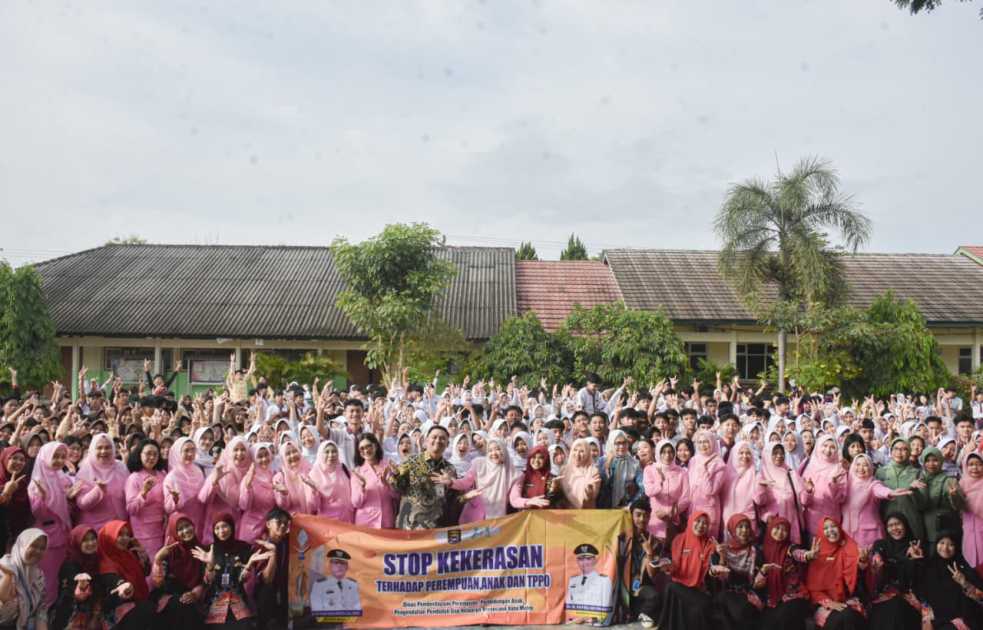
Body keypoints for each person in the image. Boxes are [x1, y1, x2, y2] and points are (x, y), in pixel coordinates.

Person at [195, 514, 268, 629]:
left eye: (225, 526)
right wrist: (209, 564)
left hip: (237, 598)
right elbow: (208, 581)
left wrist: (249, 564)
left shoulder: (243, 548)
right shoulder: (209, 550)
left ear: (232, 527)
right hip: (215, 600)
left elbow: (243, 579)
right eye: (217, 528)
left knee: (244, 625)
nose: (221, 531)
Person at [28, 441, 77, 606]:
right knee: (45, 578)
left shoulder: (59, 476)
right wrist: (41, 498)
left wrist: (72, 474)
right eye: (55, 456)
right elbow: (39, 514)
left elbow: (71, 487)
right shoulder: (37, 480)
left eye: (62, 457)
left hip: (62, 534)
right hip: (46, 537)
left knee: (56, 577)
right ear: (46, 456)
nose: (59, 460)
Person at [656, 511, 716, 630]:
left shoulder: (710, 544)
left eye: (705, 523)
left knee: (701, 606)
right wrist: (668, 568)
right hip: (680, 586)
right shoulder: (679, 539)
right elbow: (675, 566)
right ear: (691, 521)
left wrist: (721, 557)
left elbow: (711, 570)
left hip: (699, 589)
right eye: (697, 521)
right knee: (671, 587)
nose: (700, 525)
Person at [804, 517, 866, 630]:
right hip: (826, 603)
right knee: (841, 617)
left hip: (850, 600)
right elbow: (813, 589)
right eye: (826, 528)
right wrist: (830, 603)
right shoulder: (817, 555)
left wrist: (863, 563)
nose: (830, 530)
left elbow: (859, 577)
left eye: (833, 526)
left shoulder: (850, 548)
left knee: (848, 615)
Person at [393, 426, 458, 530]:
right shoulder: (411, 461)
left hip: (435, 528)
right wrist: (395, 475)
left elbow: (452, 499)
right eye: (434, 437)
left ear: (447, 444)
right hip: (409, 525)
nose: (438, 441)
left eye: (442, 438)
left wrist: (451, 484)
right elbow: (398, 488)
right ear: (426, 440)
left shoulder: (450, 469)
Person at [915, 532, 983, 630]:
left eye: (951, 544)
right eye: (942, 543)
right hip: (934, 618)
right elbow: (919, 592)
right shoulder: (928, 566)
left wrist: (965, 583)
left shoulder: (964, 568)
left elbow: (980, 598)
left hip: (961, 620)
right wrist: (916, 561)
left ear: (957, 547)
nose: (945, 548)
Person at [95, 520, 156, 630]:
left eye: (127, 534)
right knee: (147, 610)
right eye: (120, 534)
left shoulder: (127, 554)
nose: (125, 538)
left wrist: (143, 555)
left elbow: (145, 573)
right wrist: (123, 586)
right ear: (109, 537)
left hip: (135, 603)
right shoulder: (106, 562)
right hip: (116, 612)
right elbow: (113, 580)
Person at [865, 514, 922, 630]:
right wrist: (877, 565)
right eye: (890, 525)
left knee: (898, 608)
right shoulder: (881, 545)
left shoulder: (915, 545)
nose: (894, 528)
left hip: (908, 595)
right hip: (885, 594)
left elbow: (919, 576)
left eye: (898, 524)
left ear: (905, 525)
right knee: (887, 610)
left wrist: (915, 560)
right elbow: (877, 563)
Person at [842, 453, 911, 548]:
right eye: (858, 464)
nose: (861, 468)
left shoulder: (873, 484)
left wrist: (890, 492)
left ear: (871, 468)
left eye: (865, 465)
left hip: (870, 534)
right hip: (849, 532)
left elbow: (880, 490)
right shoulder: (848, 484)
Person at [149, 513, 206, 628]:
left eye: (187, 526)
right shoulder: (169, 552)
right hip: (170, 596)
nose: (185, 531)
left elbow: (206, 581)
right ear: (174, 532)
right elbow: (158, 583)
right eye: (180, 529)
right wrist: (157, 560)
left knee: (189, 607)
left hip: (195, 595)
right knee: (181, 606)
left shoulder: (201, 550)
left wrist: (195, 593)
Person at [710, 514, 766, 630]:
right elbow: (719, 577)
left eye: (747, 527)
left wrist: (761, 579)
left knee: (743, 611)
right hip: (728, 592)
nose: (744, 530)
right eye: (740, 527)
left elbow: (759, 579)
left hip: (749, 593)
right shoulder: (722, 549)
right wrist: (721, 557)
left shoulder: (755, 551)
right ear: (732, 529)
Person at [758, 516, 811, 630]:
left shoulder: (790, 548)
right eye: (777, 528)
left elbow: (799, 554)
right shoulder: (762, 550)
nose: (780, 532)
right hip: (772, 599)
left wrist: (808, 555)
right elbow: (757, 579)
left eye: (784, 530)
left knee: (786, 616)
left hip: (795, 595)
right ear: (770, 528)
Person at [199, 437, 251, 545]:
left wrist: (247, 485)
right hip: (216, 527)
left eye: (243, 450)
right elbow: (203, 498)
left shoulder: (249, 471)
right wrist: (214, 481)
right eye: (235, 450)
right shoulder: (221, 469)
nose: (239, 453)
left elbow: (244, 504)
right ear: (229, 452)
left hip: (236, 526)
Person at [450, 437, 514, 522]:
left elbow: (514, 499)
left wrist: (527, 502)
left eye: (498, 449)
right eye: (490, 450)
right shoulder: (479, 463)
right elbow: (465, 483)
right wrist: (450, 482)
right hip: (474, 513)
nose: (494, 453)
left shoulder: (513, 473)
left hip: (496, 517)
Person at [75, 434, 130, 533]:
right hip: (94, 532)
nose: (103, 451)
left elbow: (128, 496)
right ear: (92, 450)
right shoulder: (85, 470)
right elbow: (82, 504)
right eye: (99, 448)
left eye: (108, 447)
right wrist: (98, 490)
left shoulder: (121, 467)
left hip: (119, 528)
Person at [875, 438, 926, 542]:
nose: (899, 452)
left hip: (910, 522)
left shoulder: (917, 473)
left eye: (904, 449)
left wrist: (914, 491)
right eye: (896, 449)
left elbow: (923, 505)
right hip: (887, 522)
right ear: (891, 451)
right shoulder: (881, 472)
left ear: (909, 452)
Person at [758, 441, 809, 545]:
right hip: (774, 526)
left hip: (793, 523)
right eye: (775, 453)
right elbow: (759, 502)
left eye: (781, 453)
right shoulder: (762, 475)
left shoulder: (791, 473)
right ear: (767, 455)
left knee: (793, 555)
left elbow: (803, 499)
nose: (779, 456)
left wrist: (808, 491)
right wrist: (761, 487)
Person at [124, 439, 167, 559]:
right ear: (140, 455)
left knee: (160, 566)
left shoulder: (162, 475)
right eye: (148, 454)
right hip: (143, 533)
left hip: (161, 529)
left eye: (155, 454)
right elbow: (131, 509)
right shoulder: (134, 478)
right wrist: (143, 492)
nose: (152, 457)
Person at [801, 435, 848, 540]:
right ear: (818, 446)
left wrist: (834, 484)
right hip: (812, 524)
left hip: (832, 525)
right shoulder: (810, 468)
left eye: (832, 447)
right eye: (825, 445)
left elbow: (842, 498)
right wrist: (808, 491)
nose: (828, 450)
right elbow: (804, 501)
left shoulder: (840, 470)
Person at [0, 528, 48, 630]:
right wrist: (8, 576)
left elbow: (41, 609)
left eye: (42, 548)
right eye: (34, 546)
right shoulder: (5, 566)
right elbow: (2, 600)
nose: (38, 551)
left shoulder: (38, 575)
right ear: (22, 545)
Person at [642, 440, 688, 543]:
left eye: (670, 452)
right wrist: (660, 480)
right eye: (663, 452)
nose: (667, 455)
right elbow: (649, 491)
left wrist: (670, 513)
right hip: (655, 519)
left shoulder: (681, 472)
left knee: (672, 552)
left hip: (674, 520)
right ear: (658, 453)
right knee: (655, 552)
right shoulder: (650, 469)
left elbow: (685, 498)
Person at [251, 509, 290, 630]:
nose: (283, 526)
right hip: (265, 596)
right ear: (268, 524)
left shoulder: (288, 542)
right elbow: (267, 579)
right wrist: (273, 553)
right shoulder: (260, 546)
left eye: (286, 523)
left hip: (285, 595)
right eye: (279, 522)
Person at [916, 445, 960, 548]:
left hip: (943, 530)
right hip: (923, 529)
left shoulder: (949, 480)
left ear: (941, 461)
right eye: (927, 460)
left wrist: (954, 496)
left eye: (935, 460)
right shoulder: (919, 479)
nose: (931, 464)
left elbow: (959, 506)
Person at [164, 437, 207, 540]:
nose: (190, 454)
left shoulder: (198, 471)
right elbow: (168, 508)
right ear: (178, 452)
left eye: (193, 450)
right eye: (186, 450)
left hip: (198, 520)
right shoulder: (172, 477)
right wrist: (175, 499)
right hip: (181, 525)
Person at [720, 441, 765, 540]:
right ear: (735, 454)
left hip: (748, 521)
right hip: (729, 519)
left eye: (748, 453)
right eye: (741, 453)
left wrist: (762, 487)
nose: (745, 456)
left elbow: (759, 500)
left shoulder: (756, 474)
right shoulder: (727, 474)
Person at [350, 433, 396, 528]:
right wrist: (362, 488)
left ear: (375, 446)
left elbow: (397, 496)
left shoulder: (389, 466)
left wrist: (387, 485)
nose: (366, 450)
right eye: (362, 448)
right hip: (365, 523)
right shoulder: (357, 472)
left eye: (368, 446)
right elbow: (356, 503)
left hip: (386, 522)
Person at [688, 430, 726, 538]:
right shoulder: (693, 460)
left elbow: (710, 490)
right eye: (699, 442)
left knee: (708, 544)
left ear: (712, 442)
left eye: (706, 442)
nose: (702, 445)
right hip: (694, 507)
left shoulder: (719, 464)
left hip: (709, 509)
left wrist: (704, 469)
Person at [565, 544, 613, 624]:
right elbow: (569, 606)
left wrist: (586, 618)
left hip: (594, 625)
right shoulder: (573, 581)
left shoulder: (604, 581)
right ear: (577, 561)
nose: (584, 563)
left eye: (588, 558)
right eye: (580, 559)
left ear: (595, 560)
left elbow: (606, 608)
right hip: (575, 624)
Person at [238, 444, 277, 542]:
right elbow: (244, 505)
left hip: (269, 529)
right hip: (251, 528)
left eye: (266, 455)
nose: (264, 459)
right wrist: (247, 486)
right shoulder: (248, 478)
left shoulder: (274, 475)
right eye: (260, 456)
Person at [308, 441, 353, 523]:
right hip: (327, 523)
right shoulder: (314, 474)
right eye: (327, 452)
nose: (331, 455)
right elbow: (313, 506)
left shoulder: (343, 468)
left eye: (334, 451)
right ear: (321, 454)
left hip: (347, 519)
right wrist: (314, 490)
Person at [309, 549, 361, 619]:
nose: (339, 566)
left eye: (343, 563)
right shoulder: (319, 585)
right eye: (335, 562)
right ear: (330, 566)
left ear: (347, 567)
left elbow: (357, 609)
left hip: (349, 624)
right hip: (327, 625)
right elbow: (317, 613)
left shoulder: (353, 584)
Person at [596, 430, 640, 509]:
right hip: (604, 509)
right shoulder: (602, 461)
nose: (621, 446)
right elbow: (601, 485)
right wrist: (608, 464)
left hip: (626, 509)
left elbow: (641, 488)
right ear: (611, 444)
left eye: (624, 443)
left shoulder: (634, 463)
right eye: (618, 443)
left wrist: (631, 505)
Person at [0, 447, 31, 553]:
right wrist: (6, 493)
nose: (18, 462)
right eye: (14, 458)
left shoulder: (23, 483)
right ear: (4, 459)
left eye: (22, 460)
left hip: (16, 540)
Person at [273, 442, 316, 515]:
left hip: (314, 519)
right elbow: (283, 507)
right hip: (294, 521)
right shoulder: (279, 478)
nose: (292, 456)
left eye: (295, 451)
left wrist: (315, 490)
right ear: (283, 457)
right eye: (288, 454)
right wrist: (284, 494)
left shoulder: (311, 471)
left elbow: (318, 503)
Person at [509, 445, 557, 510]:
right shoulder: (522, 476)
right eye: (533, 457)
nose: (536, 460)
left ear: (546, 460)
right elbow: (514, 499)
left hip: (545, 517)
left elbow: (552, 502)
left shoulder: (552, 478)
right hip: (526, 517)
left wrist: (553, 491)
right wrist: (528, 501)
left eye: (541, 458)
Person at [559, 438, 602, 509]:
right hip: (567, 513)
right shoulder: (564, 470)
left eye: (582, 451)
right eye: (575, 450)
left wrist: (589, 493)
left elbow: (594, 494)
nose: (577, 454)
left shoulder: (593, 471)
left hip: (586, 512)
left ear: (588, 453)